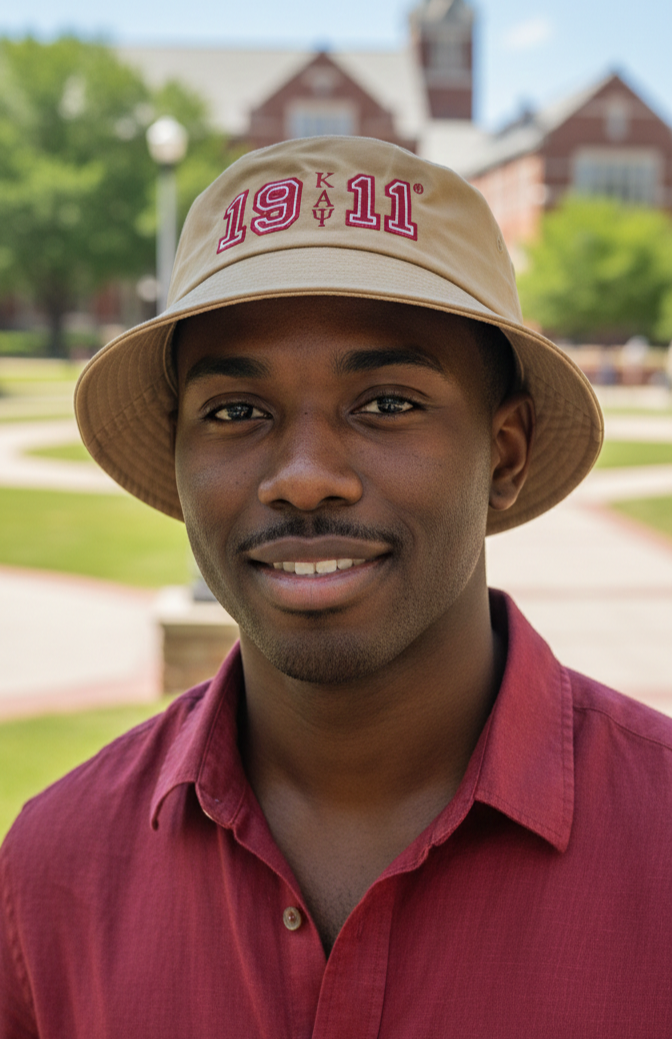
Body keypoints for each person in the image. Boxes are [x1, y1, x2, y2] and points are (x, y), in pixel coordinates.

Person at [1, 137, 670, 1038]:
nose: (305, 475)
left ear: (502, 453)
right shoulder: (51, 872)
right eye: (237, 411)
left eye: (388, 401)